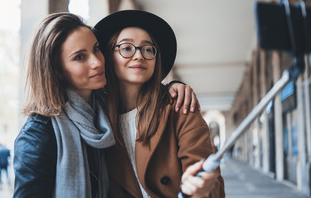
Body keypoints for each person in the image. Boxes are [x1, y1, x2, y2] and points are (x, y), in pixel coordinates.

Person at [13, 12, 200, 198]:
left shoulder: (102, 113)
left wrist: (173, 87)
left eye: (96, 49)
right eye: (79, 57)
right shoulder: (37, 134)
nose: (97, 62)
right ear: (57, 70)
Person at [93, 10, 225, 197]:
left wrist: (200, 187)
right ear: (108, 54)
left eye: (147, 49)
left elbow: (210, 181)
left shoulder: (179, 107)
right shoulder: (96, 114)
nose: (138, 56)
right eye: (127, 48)